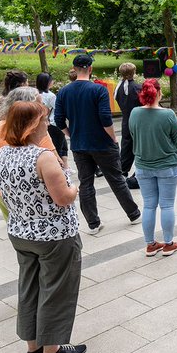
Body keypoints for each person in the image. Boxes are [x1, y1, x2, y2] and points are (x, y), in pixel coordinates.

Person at [0, 101, 87, 353]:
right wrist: (75, 188)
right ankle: (52, 350)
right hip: (53, 235)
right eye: (44, 120)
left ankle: (33, 346)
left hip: (20, 231)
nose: (47, 123)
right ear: (32, 126)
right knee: (56, 289)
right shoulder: (42, 157)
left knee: (29, 286)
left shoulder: (3, 154)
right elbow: (62, 198)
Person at [54, 53, 141, 235]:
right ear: (90, 69)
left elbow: (59, 120)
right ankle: (133, 214)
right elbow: (105, 118)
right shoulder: (98, 90)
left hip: (79, 144)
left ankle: (93, 224)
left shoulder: (63, 92)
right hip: (102, 143)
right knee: (116, 179)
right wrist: (113, 138)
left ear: (75, 69)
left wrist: (72, 134)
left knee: (86, 184)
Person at [0, 87, 58, 220]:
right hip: (35, 194)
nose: (43, 106)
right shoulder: (37, 132)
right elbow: (56, 164)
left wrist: (13, 175)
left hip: (3, 191)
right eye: (39, 103)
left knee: (17, 231)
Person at [130, 79, 177, 257]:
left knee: (149, 205)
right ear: (159, 93)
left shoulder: (134, 113)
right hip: (167, 164)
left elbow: (132, 134)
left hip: (143, 166)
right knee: (167, 205)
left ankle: (150, 244)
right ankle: (168, 243)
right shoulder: (168, 114)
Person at [114, 62, 142, 189]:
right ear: (133, 73)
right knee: (139, 147)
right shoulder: (137, 88)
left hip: (125, 120)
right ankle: (140, 171)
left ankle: (123, 170)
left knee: (126, 147)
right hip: (138, 121)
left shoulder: (118, 87)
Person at [35, 72, 67, 158]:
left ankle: (65, 168)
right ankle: (59, 168)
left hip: (41, 124)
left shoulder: (34, 94)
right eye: (51, 81)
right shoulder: (51, 96)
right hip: (53, 124)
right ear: (47, 83)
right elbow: (59, 108)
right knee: (58, 149)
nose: (53, 82)